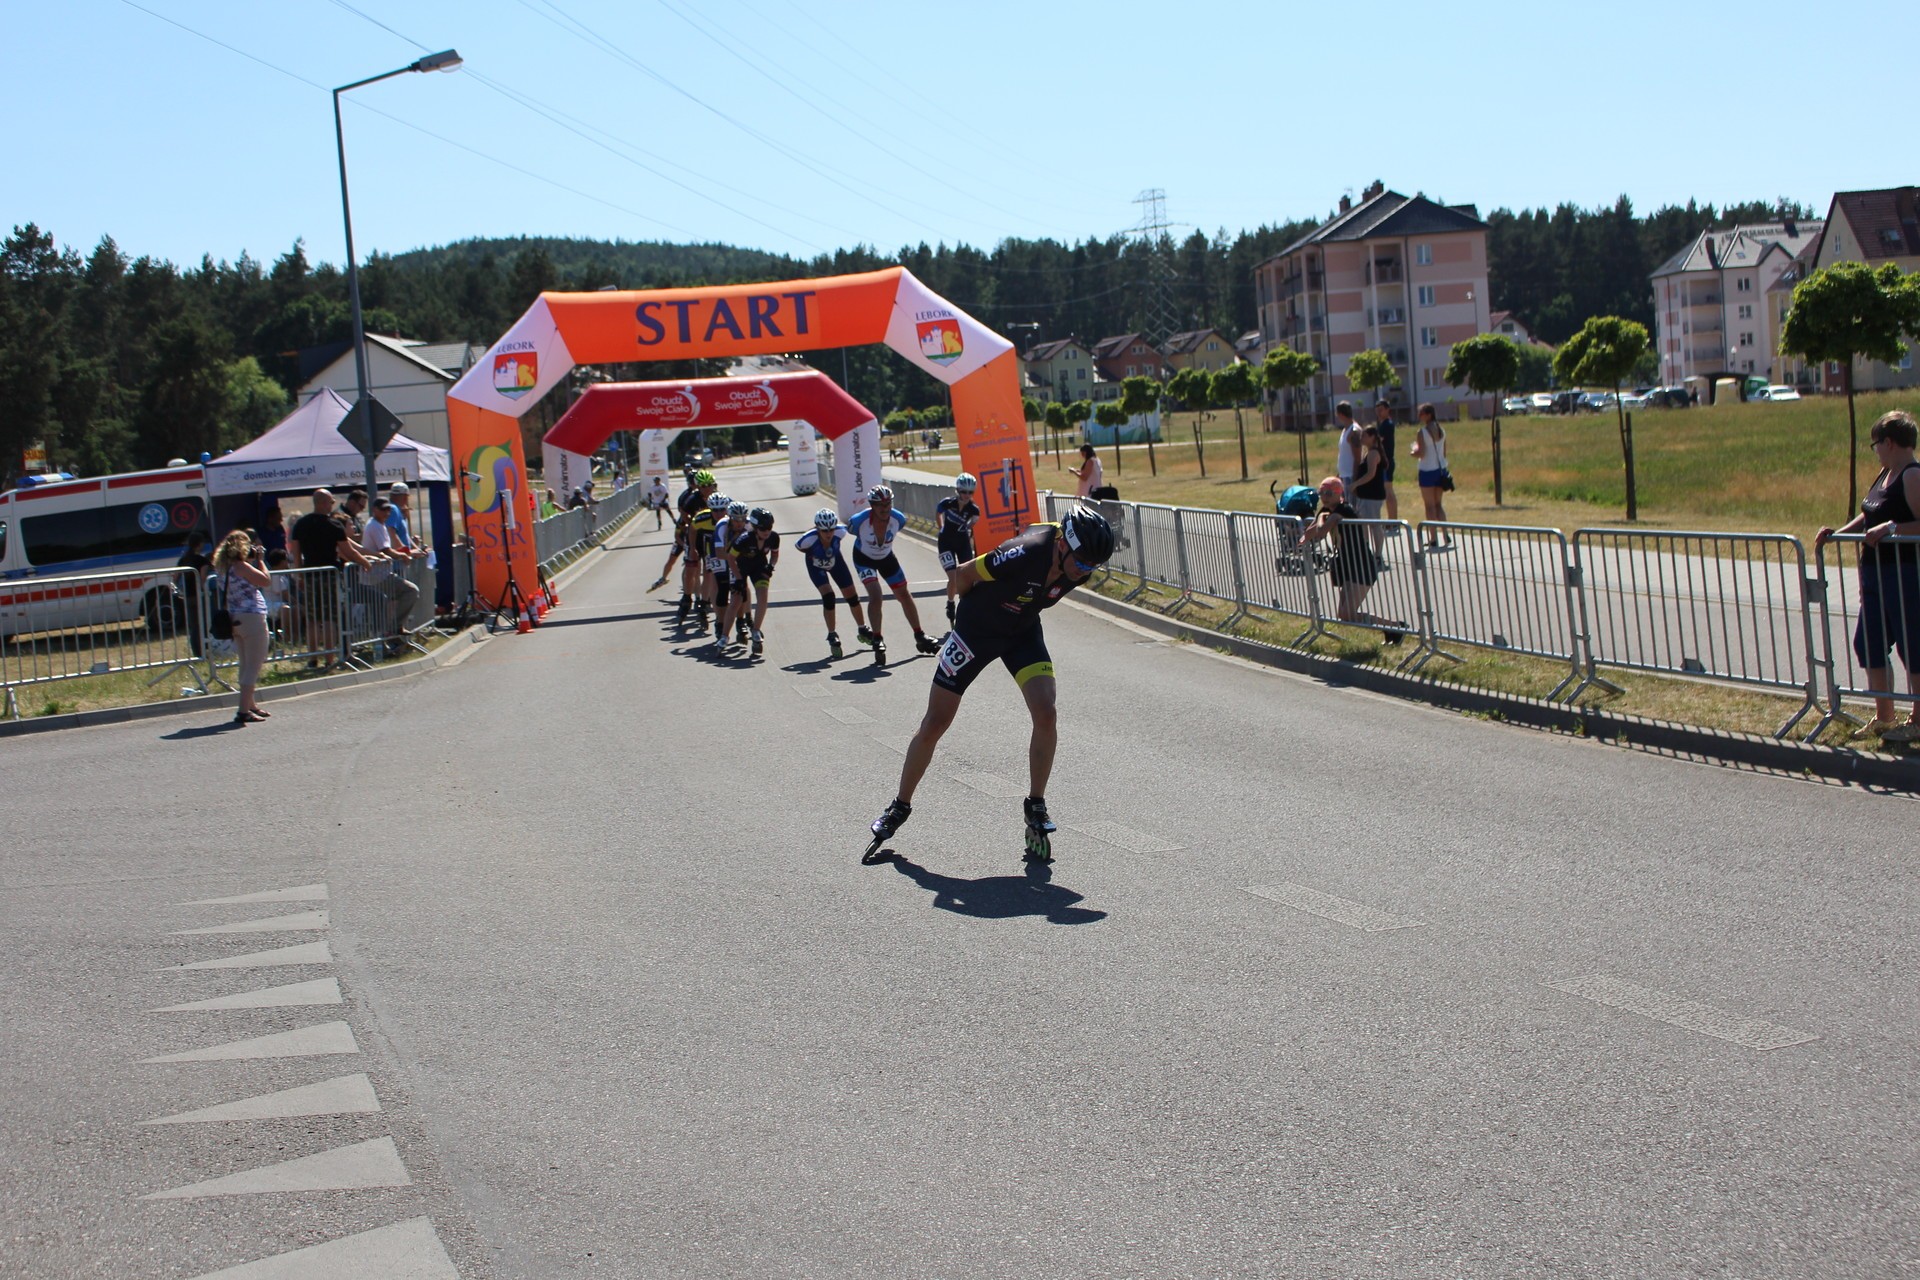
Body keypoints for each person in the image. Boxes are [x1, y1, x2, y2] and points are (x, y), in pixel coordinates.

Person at [864, 506, 1119, 867]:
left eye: (1092, 565)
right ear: (1063, 544)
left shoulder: (1081, 566)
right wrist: (961, 619)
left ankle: (1035, 803)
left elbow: (1051, 587)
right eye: (1080, 562)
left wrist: (1076, 569)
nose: (1084, 570)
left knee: (1046, 712)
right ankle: (899, 805)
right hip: (976, 632)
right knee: (936, 722)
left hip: (1021, 633)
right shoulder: (1025, 550)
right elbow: (964, 575)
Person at [1815, 410, 1920, 743]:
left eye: (1876, 445)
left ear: (1889, 442)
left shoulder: (1912, 475)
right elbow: (1869, 515)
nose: (1875, 451)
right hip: (1875, 573)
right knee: (1868, 642)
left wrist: (1892, 528)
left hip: (1906, 574)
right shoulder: (1885, 474)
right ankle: (1885, 717)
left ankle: (1918, 720)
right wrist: (1837, 534)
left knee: (1913, 647)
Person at [1298, 476, 1407, 644]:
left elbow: (1321, 531)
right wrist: (1301, 540)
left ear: (1339, 493)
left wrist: (1321, 519)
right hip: (1349, 565)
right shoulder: (1327, 511)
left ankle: (1396, 627)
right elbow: (1312, 531)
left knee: (1348, 614)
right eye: (1321, 493)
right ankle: (1392, 628)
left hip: (1362, 565)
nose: (1324, 497)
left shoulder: (1343, 510)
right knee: (1344, 615)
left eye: (1328, 493)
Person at [847, 485, 939, 664]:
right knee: (876, 595)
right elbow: (850, 531)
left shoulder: (898, 519)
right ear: (872, 506)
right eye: (880, 505)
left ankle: (919, 635)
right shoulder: (859, 521)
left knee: (904, 594)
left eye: (888, 504)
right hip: (864, 559)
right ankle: (877, 638)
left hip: (886, 557)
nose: (885, 508)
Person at [289, 488, 373, 663]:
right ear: (322, 503)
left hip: (310, 575)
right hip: (329, 576)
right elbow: (348, 551)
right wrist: (365, 562)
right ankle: (329, 658)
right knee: (329, 618)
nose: (333, 505)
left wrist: (299, 575)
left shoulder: (301, 524)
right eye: (331, 501)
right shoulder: (334, 525)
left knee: (312, 618)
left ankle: (313, 659)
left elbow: (296, 554)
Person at [795, 507, 874, 659]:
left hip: (836, 563)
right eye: (824, 531)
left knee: (852, 597)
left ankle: (862, 628)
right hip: (816, 567)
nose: (828, 534)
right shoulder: (807, 540)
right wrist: (812, 555)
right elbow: (799, 547)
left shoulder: (840, 532)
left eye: (831, 529)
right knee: (829, 597)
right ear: (817, 529)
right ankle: (832, 634)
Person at [212, 530, 272, 724]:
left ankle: (250, 704)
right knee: (254, 664)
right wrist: (261, 561)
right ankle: (243, 710)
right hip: (252, 617)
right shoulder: (242, 567)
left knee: (245, 663)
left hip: (234, 618)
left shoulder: (223, 569)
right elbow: (265, 581)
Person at [360, 497, 422, 656]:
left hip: (382, 574)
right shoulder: (375, 525)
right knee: (411, 591)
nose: (387, 513)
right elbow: (386, 550)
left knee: (393, 600)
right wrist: (404, 555)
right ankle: (394, 628)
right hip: (377, 576)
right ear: (374, 510)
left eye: (388, 510)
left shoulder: (379, 525)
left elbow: (388, 549)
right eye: (383, 509)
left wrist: (405, 553)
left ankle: (392, 632)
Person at [728, 508, 781, 657]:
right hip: (741, 566)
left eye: (769, 528)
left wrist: (771, 566)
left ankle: (756, 630)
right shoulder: (744, 538)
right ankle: (726, 632)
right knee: (737, 598)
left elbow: (775, 555)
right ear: (756, 528)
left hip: (759, 567)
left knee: (763, 596)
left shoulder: (773, 537)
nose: (767, 531)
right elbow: (731, 558)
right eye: (763, 529)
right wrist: (738, 578)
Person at [935, 472, 983, 624]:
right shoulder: (947, 503)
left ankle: (967, 606)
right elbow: (938, 512)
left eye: (970, 492)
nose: (967, 495)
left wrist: (967, 529)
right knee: (953, 577)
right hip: (945, 543)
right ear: (957, 490)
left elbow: (974, 521)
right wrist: (941, 527)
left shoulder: (974, 509)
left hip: (962, 543)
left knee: (968, 576)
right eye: (964, 492)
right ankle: (950, 603)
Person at [1410, 402, 1452, 548]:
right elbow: (1444, 453)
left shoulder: (1422, 432)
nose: (1419, 416)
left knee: (1429, 506)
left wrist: (1413, 452)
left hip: (1427, 470)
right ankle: (1445, 533)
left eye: (1421, 413)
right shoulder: (1441, 431)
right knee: (1438, 504)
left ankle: (1433, 537)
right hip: (1441, 470)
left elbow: (1422, 453)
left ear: (1428, 415)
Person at [175, 531, 213, 657]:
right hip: (199, 595)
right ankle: (205, 649)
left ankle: (196, 652)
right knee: (204, 623)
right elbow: (202, 579)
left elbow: (175, 578)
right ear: (200, 544)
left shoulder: (183, 559)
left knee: (193, 626)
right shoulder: (202, 560)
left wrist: (178, 590)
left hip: (187, 596)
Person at [1373, 400, 1400, 523]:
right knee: (1386, 491)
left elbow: (1378, 441)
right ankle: (1391, 520)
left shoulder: (1387, 425)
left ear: (1387, 410)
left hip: (1386, 462)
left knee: (1388, 491)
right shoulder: (1381, 424)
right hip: (1383, 462)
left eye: (1381, 410)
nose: (1379, 412)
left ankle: (1393, 521)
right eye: (1377, 410)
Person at [1333, 401, 1363, 494]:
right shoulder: (1345, 430)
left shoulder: (1354, 431)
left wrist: (1355, 478)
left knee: (1352, 502)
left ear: (1341, 414)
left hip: (1351, 476)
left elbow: (1358, 458)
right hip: (1344, 475)